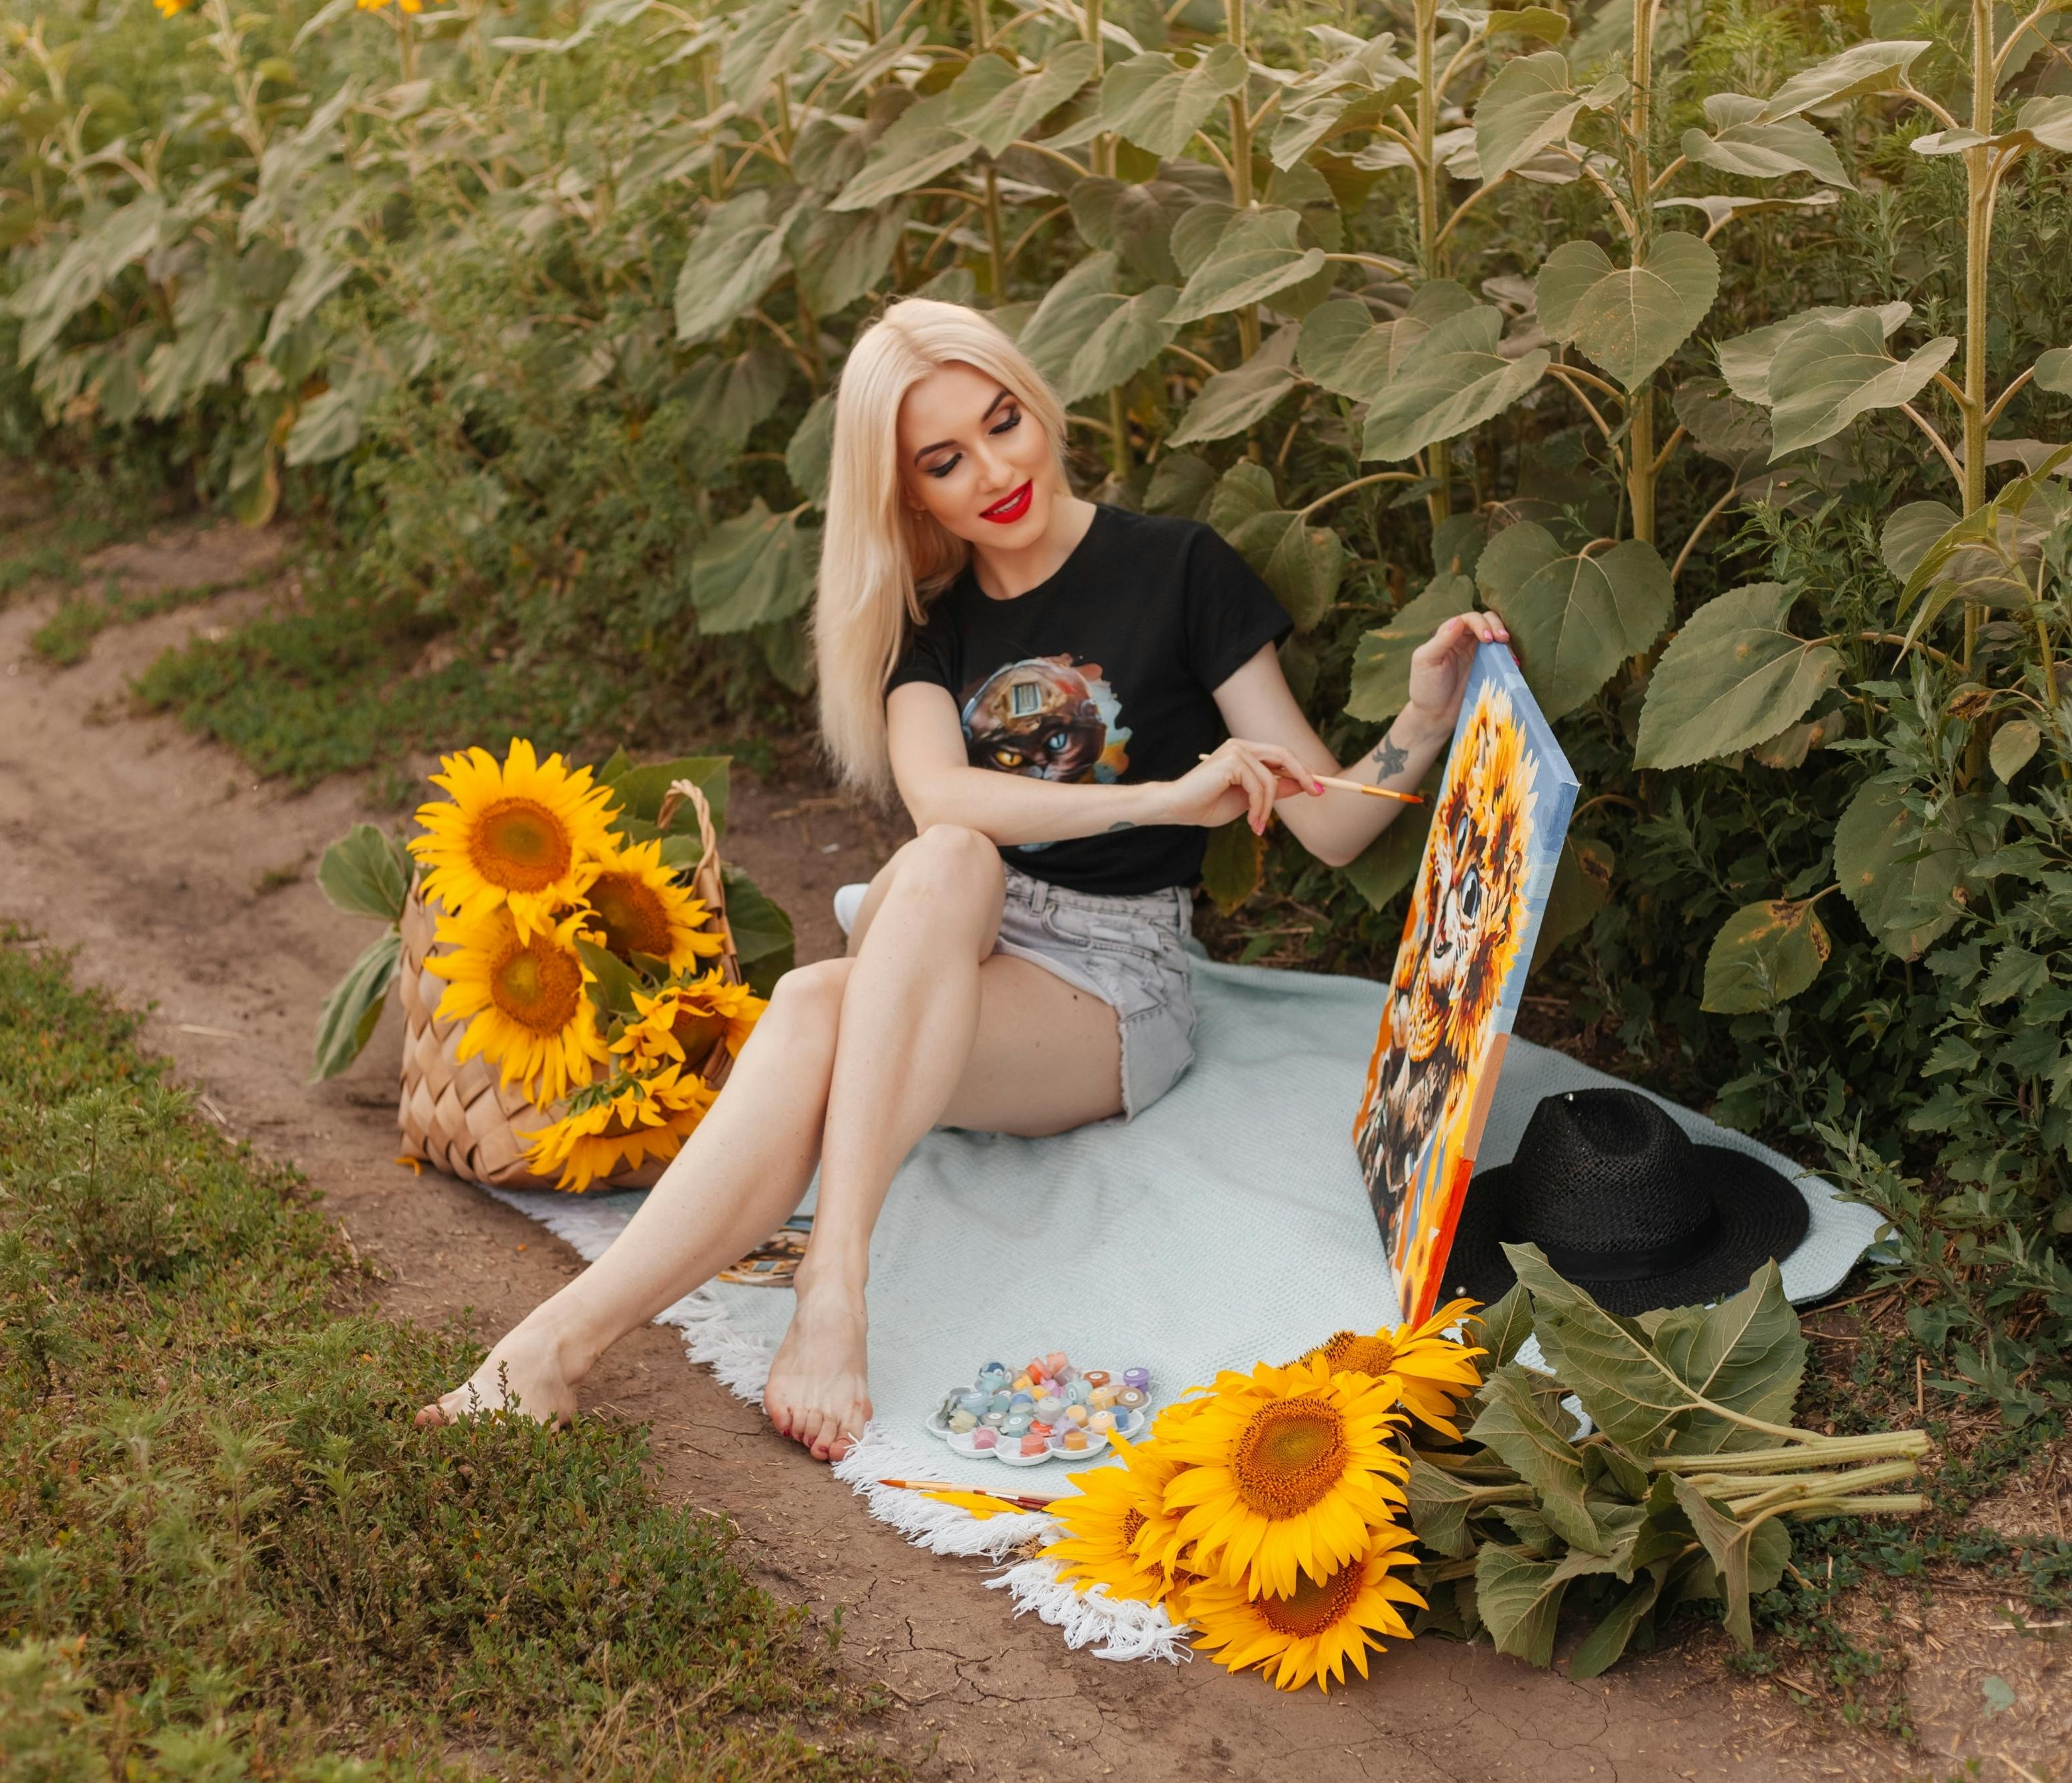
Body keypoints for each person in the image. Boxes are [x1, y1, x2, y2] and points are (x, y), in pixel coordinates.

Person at [417, 298, 1509, 1457]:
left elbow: (1332, 828)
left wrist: (1425, 715)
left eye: (1004, 424)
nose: (995, 470)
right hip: (954, 928)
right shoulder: (927, 625)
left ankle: (716, 1309)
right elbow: (945, 800)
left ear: (1037, 405)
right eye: (947, 460)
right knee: (937, 868)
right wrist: (1162, 794)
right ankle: (630, 1333)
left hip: (1106, 977)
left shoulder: (1180, 568)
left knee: (824, 991)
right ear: (910, 495)